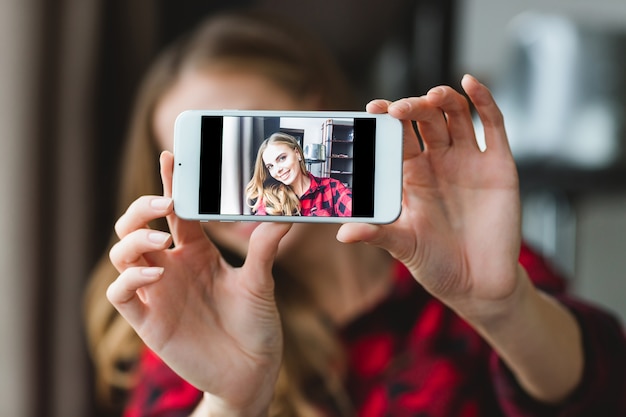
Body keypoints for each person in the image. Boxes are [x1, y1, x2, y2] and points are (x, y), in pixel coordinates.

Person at [84, 9, 626, 417]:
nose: (252, 173)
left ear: (316, 112)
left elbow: (605, 392)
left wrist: (504, 308)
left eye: (243, 137)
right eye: (199, 163)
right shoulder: (192, 323)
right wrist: (228, 399)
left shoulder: (469, 262)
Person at [246, 132, 353, 217]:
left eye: (282, 158)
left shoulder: (332, 188)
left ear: (297, 153)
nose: (277, 170)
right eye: (270, 166)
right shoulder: (270, 198)